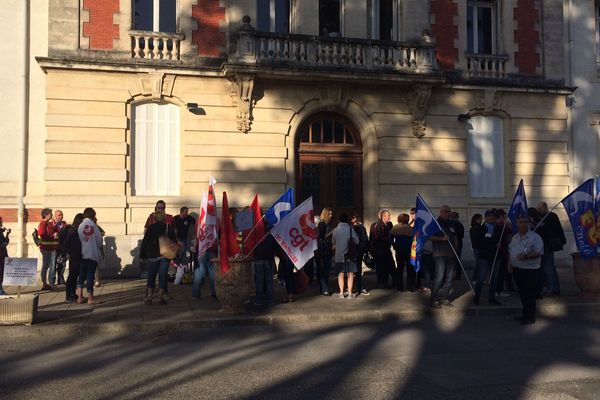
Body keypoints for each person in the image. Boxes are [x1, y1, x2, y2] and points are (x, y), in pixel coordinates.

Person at [509, 214, 544, 325]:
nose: (523, 224)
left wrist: (525, 256)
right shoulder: (515, 237)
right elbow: (510, 251)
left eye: (525, 222)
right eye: (520, 222)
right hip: (517, 269)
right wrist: (509, 263)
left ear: (528, 224)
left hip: (530, 270)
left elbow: (538, 252)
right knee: (522, 294)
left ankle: (530, 317)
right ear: (517, 224)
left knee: (529, 295)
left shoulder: (535, 237)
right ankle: (525, 314)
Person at [140, 211, 177, 305]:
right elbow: (174, 240)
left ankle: (149, 297)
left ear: (155, 218)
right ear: (164, 218)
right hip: (165, 254)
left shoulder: (150, 228)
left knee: (151, 276)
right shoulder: (168, 227)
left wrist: (142, 255)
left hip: (152, 255)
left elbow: (145, 242)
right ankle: (161, 297)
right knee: (163, 276)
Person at [471, 210, 502, 306]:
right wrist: (489, 245)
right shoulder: (480, 228)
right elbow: (476, 242)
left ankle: (491, 298)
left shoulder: (499, 228)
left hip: (496, 256)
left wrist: (500, 245)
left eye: (493, 216)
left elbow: (501, 239)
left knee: (494, 278)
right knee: (481, 278)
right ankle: (476, 297)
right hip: (484, 256)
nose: (491, 218)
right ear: (486, 217)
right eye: (489, 216)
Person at [429, 205, 459, 308]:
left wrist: (456, 250)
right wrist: (441, 239)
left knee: (449, 278)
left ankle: (444, 298)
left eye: (449, 211)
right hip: (440, 254)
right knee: (439, 277)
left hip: (451, 254)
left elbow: (455, 237)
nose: (448, 213)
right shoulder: (435, 223)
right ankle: (434, 299)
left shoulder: (452, 223)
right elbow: (429, 237)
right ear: (441, 212)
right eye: (446, 211)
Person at [535, 201, 566, 296]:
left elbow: (551, 230)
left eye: (539, 209)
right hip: (542, 245)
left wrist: (541, 227)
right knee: (543, 267)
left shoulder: (551, 216)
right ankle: (546, 286)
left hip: (548, 245)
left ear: (545, 207)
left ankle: (554, 288)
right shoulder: (541, 217)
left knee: (549, 267)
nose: (538, 211)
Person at [77, 208, 103, 305]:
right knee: (90, 276)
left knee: (81, 275)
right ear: (92, 215)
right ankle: (90, 298)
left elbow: (79, 239)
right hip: (92, 253)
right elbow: (99, 240)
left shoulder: (80, 226)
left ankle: (79, 296)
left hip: (82, 254)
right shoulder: (93, 225)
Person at [332, 212, 360, 299]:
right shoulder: (351, 229)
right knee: (350, 274)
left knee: (340, 274)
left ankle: (341, 293)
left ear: (339, 220)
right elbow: (357, 241)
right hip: (350, 255)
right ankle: (350, 293)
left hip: (339, 255)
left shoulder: (335, 230)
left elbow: (333, 242)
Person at [192, 223, 219, 301]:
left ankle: (195, 294)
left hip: (201, 247)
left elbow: (196, 233)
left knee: (200, 271)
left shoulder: (199, 219)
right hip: (212, 247)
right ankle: (214, 292)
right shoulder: (215, 219)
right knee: (212, 270)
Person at [370, 209, 395, 289]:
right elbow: (374, 238)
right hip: (379, 250)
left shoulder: (389, 224)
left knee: (390, 266)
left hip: (386, 249)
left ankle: (390, 282)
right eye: (388, 215)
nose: (390, 217)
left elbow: (391, 235)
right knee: (381, 267)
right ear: (383, 216)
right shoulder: (375, 225)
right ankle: (382, 282)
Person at [253, 227, 277, 306]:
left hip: (258, 259)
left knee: (259, 280)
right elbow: (274, 246)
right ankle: (270, 299)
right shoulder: (270, 235)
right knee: (269, 279)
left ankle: (259, 299)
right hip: (268, 259)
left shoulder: (255, 234)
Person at [62, 213, 83, 302]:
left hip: (77, 255)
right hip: (74, 256)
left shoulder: (77, 230)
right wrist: (67, 253)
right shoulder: (72, 231)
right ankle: (68, 295)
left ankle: (73, 293)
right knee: (72, 276)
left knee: (75, 275)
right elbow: (66, 244)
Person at [391, 213, 415, 291]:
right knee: (410, 268)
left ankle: (399, 287)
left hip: (399, 250)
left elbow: (390, 239)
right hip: (409, 250)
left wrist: (394, 245)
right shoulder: (410, 229)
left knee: (400, 268)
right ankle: (410, 287)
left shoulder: (395, 228)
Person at [38, 208, 59, 290]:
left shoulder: (49, 223)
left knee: (48, 265)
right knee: (45, 266)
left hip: (50, 248)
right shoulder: (42, 224)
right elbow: (42, 235)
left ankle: (46, 283)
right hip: (45, 248)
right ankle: (44, 283)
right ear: (46, 215)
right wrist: (52, 236)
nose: (52, 215)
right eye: (50, 214)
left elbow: (55, 230)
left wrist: (55, 224)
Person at [495, 209, 515, 296]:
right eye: (503, 216)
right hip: (501, 251)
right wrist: (507, 224)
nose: (505, 218)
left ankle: (506, 287)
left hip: (505, 250)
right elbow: (509, 231)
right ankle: (498, 290)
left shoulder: (501, 225)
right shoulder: (500, 225)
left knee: (504, 270)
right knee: (500, 272)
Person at [350, 213, 370, 296]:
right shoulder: (361, 227)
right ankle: (357, 287)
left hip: (354, 251)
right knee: (357, 270)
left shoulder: (355, 228)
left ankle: (356, 287)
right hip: (359, 251)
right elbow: (366, 239)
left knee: (354, 270)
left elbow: (363, 239)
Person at [317, 207, 334, 296]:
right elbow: (322, 237)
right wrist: (332, 232)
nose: (331, 216)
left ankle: (325, 288)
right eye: (329, 214)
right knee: (324, 270)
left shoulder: (327, 224)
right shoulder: (322, 224)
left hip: (328, 249)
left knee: (327, 270)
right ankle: (324, 289)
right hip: (324, 250)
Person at [53, 209, 68, 285]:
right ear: (55, 216)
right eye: (59, 215)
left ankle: (61, 279)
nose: (60, 217)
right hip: (54, 247)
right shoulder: (51, 224)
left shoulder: (64, 224)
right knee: (53, 264)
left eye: (61, 215)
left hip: (62, 247)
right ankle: (52, 280)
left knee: (62, 264)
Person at [469, 213, 483, 284]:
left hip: (480, 248)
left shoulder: (480, 227)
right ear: (476, 219)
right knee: (478, 263)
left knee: (480, 263)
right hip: (477, 248)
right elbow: (476, 238)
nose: (481, 220)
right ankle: (474, 278)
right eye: (480, 219)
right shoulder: (474, 228)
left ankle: (479, 278)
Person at [451, 211, 465, 279]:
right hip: (457, 243)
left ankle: (457, 274)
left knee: (456, 260)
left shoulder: (456, 224)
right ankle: (457, 274)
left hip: (457, 244)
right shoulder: (459, 224)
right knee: (456, 259)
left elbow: (459, 235)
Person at [0, 216, 11, 295]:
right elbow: (4, 243)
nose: (1, 223)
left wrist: (7, 234)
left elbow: (5, 242)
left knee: (2, 272)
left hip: (2, 254)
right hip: (1, 255)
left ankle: (0, 288)